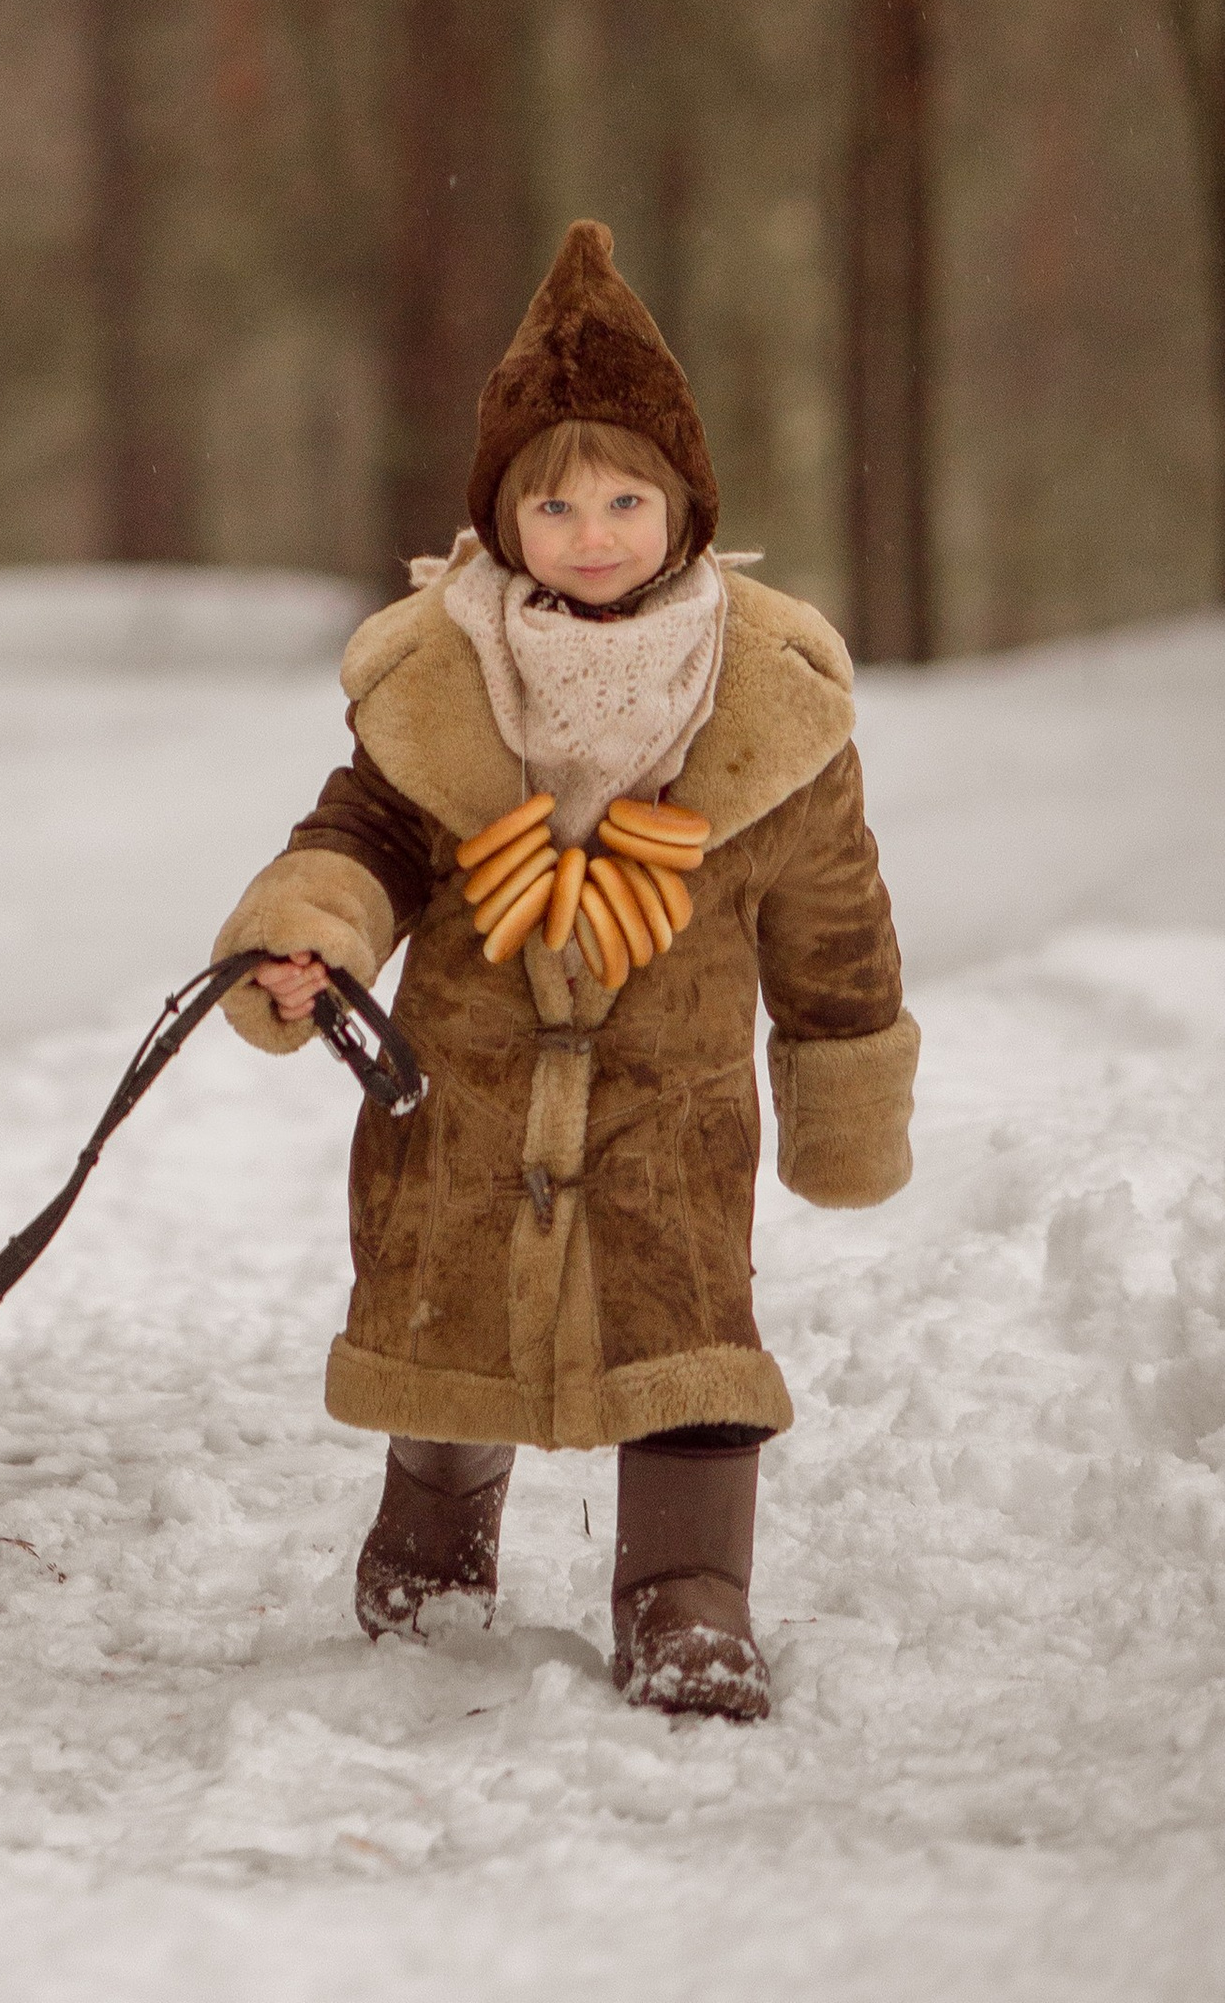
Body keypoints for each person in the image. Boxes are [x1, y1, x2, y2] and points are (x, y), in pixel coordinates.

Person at [213, 221, 916, 1721]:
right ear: (498, 523)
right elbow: (366, 833)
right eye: (553, 504)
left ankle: (687, 1596)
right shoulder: (441, 685)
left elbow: (834, 910)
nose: (591, 533)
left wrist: (842, 1079)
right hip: (463, 1086)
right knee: (448, 1315)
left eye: (624, 498)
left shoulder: (769, 713)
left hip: (674, 1103)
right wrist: (312, 932)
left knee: (688, 1335)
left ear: (686, 510)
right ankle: (431, 1535)